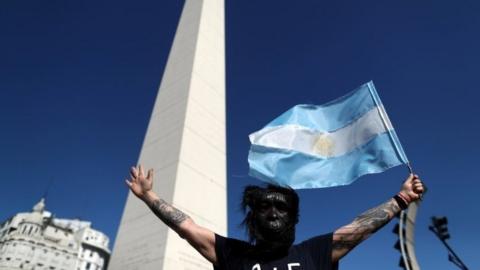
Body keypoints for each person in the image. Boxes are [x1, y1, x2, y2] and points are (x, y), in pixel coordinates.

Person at [126, 165, 424, 270]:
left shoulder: (315, 253)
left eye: (282, 208)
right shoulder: (231, 254)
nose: (273, 212)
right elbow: (185, 227)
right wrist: (148, 196)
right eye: (265, 206)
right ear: (252, 217)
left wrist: (401, 199)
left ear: (294, 219)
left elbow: (360, 227)